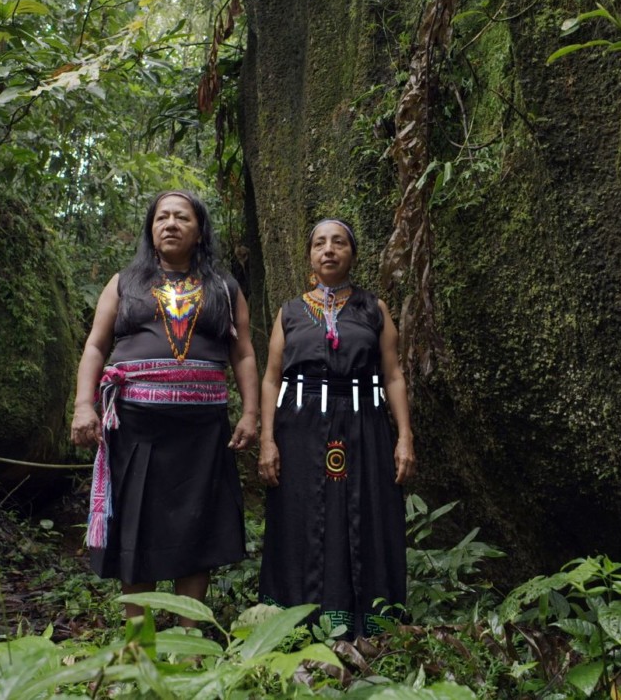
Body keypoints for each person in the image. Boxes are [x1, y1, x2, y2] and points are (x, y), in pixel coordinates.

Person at [70, 190, 259, 624]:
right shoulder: (124, 283)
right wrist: (84, 405)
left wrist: (251, 414)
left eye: (182, 218)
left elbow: (244, 353)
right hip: (136, 428)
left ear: (199, 231)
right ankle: (139, 637)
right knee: (137, 527)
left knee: (198, 528)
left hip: (202, 431)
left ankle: (189, 637)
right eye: (162, 218)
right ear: (151, 230)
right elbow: (96, 345)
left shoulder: (224, 287)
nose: (170, 224)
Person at [257, 218, 416, 637]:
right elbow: (271, 378)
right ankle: (293, 620)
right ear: (309, 256)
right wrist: (267, 440)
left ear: (352, 254)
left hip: (365, 426)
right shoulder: (289, 312)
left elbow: (394, 374)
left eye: (339, 242)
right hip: (300, 428)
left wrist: (404, 437)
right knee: (300, 513)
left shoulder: (373, 309)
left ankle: (371, 619)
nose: (329, 250)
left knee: (367, 510)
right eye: (320, 244)